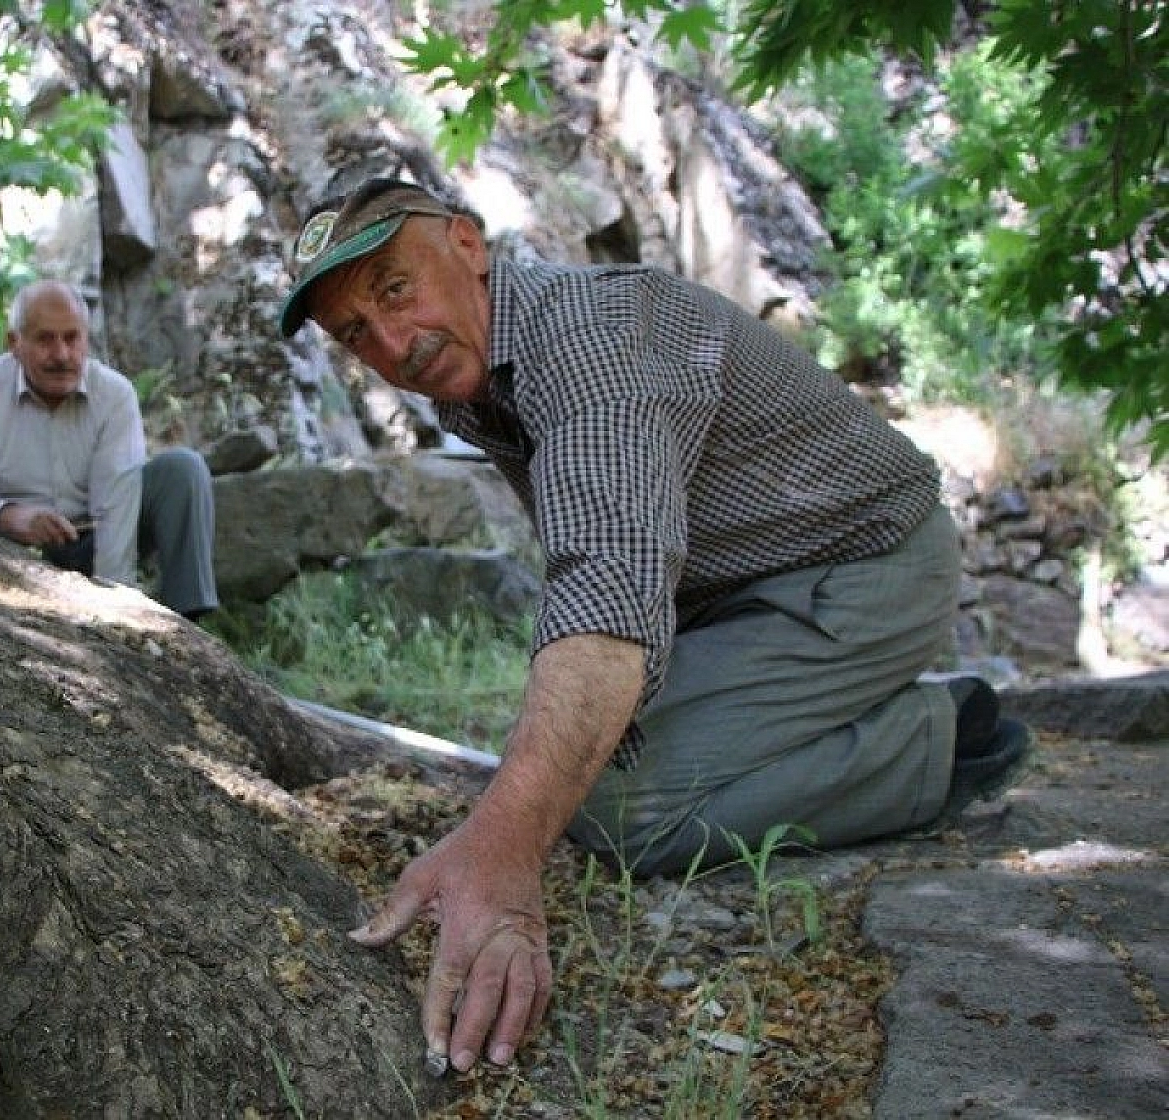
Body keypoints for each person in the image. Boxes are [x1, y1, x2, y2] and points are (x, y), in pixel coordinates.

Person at [276, 178, 1032, 1075]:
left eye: (396, 289)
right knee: (571, 753)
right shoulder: (477, 362)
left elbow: (606, 586)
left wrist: (501, 853)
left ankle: (935, 741)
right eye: (356, 332)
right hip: (729, 593)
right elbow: (618, 561)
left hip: (866, 569)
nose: (394, 344)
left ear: (470, 245)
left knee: (616, 808)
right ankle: (825, 714)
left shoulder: (590, 346)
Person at [0, 279, 219, 619]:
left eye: (71, 338)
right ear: (14, 343)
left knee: (183, 470)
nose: (62, 355)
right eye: (45, 340)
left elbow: (117, 505)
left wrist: (117, 604)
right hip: (19, 550)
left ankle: (189, 620)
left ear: (86, 338)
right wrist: (7, 517)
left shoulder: (114, 395)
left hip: (95, 535)